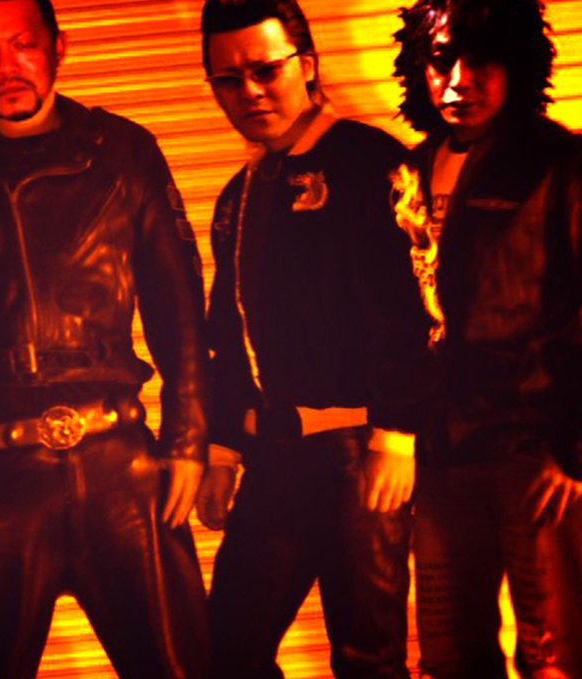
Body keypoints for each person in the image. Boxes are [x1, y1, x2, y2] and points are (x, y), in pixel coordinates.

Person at [0, 0, 210, 677]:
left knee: (182, 665)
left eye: (23, 44)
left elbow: (178, 307)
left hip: (119, 459)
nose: (7, 66)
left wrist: (188, 434)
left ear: (58, 47)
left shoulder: (123, 152)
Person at [195, 1, 432, 677]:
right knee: (226, 649)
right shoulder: (240, 195)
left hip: (362, 452)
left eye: (265, 70)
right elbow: (227, 329)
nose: (250, 92)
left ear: (306, 64)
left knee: (368, 657)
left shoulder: (370, 161)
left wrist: (397, 432)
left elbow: (411, 306)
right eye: (228, 79)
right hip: (277, 454)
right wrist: (222, 448)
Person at [392, 0, 582, 676]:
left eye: (483, 60)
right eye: (443, 58)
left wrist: (573, 448)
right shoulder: (408, 171)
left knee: (554, 654)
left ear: (519, 65)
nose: (459, 80)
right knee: (450, 655)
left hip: (535, 451)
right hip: (441, 453)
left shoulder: (559, 163)